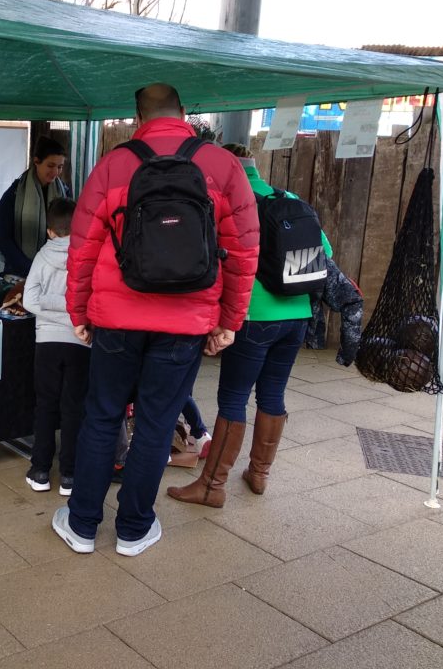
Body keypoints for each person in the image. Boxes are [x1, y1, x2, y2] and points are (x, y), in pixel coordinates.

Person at [52, 83, 259, 557]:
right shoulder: (224, 167)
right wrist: (229, 320)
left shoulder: (114, 165)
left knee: (103, 416)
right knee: (156, 424)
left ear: (136, 116)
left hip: (116, 320)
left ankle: (82, 525)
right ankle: (134, 529)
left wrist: (78, 311)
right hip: (187, 322)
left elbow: (81, 251)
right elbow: (244, 252)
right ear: (184, 113)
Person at [168, 142, 333, 508]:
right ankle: (259, 473)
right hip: (297, 315)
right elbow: (326, 251)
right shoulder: (288, 197)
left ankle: (212, 485)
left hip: (253, 316)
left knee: (233, 399)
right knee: (272, 394)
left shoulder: (229, 200)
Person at [21, 197, 90, 497]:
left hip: (46, 343)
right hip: (80, 342)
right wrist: (71, 308)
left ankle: (39, 471)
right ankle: (70, 475)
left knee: (46, 406)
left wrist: (53, 307)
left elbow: (29, 301)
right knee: (74, 408)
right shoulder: (88, 256)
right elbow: (90, 301)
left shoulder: (41, 257)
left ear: (50, 231)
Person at [0, 135, 71, 278]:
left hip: (55, 272)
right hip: (20, 272)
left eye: (60, 167)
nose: (56, 172)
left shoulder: (64, 193)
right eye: (50, 165)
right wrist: (30, 269)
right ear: (36, 161)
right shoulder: (13, 195)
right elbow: (3, 238)